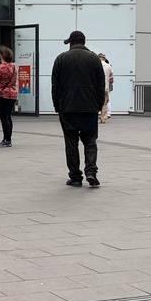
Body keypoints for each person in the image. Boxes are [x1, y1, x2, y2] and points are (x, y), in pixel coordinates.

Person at [52, 30, 105, 187]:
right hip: (89, 108)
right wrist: (98, 105)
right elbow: (100, 85)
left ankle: (75, 177)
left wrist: (57, 107)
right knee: (90, 141)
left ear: (71, 43)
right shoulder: (94, 59)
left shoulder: (61, 59)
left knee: (71, 142)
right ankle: (91, 172)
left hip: (67, 108)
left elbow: (55, 86)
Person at [0, 47, 18, 146]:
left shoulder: (1, 67)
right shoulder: (14, 67)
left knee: (3, 118)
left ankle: (6, 140)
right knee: (8, 117)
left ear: (2, 56)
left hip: (3, 94)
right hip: (13, 94)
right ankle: (8, 139)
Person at [99, 52, 114, 123]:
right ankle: (103, 118)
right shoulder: (109, 66)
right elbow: (112, 79)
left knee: (95, 102)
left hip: (96, 88)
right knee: (105, 103)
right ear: (104, 58)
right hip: (105, 87)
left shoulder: (95, 65)